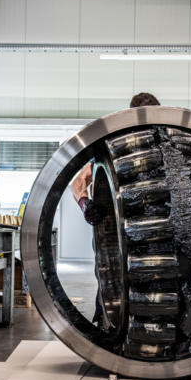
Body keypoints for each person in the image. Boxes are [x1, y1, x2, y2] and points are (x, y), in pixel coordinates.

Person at [71, 92, 161, 324]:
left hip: (153, 233)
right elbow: (78, 182)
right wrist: (84, 204)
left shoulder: (165, 148)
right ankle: (106, 321)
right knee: (109, 276)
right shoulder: (117, 149)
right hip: (114, 234)